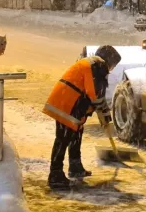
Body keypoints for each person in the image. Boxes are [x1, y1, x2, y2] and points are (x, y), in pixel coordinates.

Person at [43, 45, 122, 190]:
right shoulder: (97, 66)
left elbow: (97, 95)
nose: (111, 69)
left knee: (76, 134)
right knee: (63, 138)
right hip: (67, 104)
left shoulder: (93, 64)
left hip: (71, 104)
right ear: (108, 60)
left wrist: (104, 115)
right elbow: (96, 95)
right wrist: (104, 115)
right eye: (113, 65)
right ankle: (55, 174)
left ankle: (75, 166)